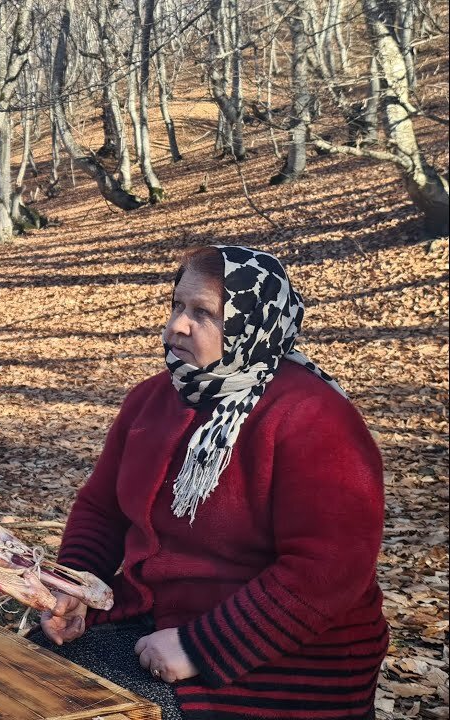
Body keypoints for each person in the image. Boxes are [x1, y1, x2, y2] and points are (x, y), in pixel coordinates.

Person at [32, 245, 387, 720]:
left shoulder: (314, 418)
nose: (177, 325)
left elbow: (328, 569)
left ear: (250, 325)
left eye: (203, 313)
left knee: (86, 706)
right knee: (25, 668)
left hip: (285, 652)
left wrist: (201, 647)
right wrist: (74, 586)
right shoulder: (152, 400)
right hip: (155, 613)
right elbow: (103, 509)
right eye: (177, 305)